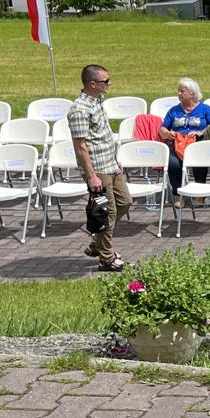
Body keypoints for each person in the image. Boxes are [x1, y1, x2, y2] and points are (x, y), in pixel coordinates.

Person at [67, 63, 129, 273]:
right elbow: (80, 145)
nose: (109, 83)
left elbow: (101, 134)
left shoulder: (97, 100)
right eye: (105, 81)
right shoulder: (79, 110)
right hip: (98, 170)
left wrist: (114, 158)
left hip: (110, 164)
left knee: (125, 203)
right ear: (92, 84)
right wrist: (91, 176)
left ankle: (97, 242)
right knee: (106, 212)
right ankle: (107, 258)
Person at [161, 77, 210, 192]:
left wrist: (201, 132)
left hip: (198, 143)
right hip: (178, 144)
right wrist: (167, 133)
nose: (179, 93)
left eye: (182, 91)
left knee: (199, 160)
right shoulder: (173, 111)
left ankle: (199, 192)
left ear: (192, 93)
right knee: (172, 163)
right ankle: (177, 193)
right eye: (179, 91)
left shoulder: (205, 109)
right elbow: (162, 129)